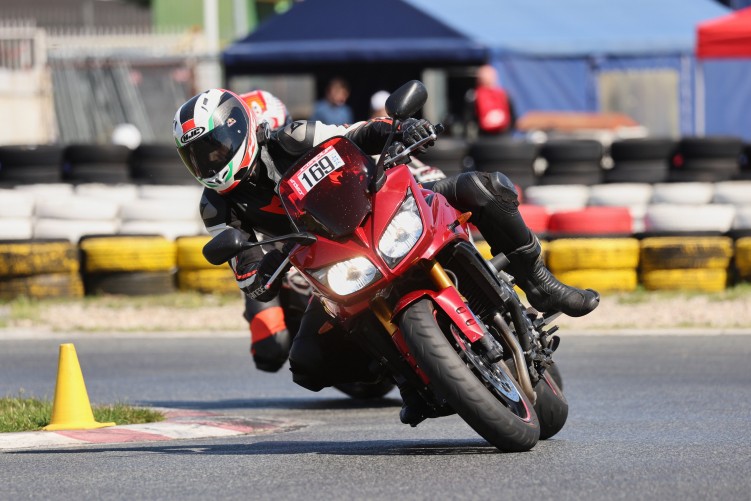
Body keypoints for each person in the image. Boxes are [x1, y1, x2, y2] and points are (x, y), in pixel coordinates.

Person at [173, 88, 599, 425]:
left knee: (479, 187)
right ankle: (408, 377)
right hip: (327, 261)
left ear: (239, 129)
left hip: (378, 211)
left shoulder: (290, 138)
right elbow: (244, 270)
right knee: (307, 364)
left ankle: (541, 284)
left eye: (216, 145)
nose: (211, 159)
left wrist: (402, 128)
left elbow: (358, 132)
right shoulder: (216, 208)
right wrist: (259, 269)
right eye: (199, 154)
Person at [465, 64, 516, 136]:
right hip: (501, 135)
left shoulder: (473, 95)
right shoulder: (504, 94)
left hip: (486, 135)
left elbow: (469, 118)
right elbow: (513, 117)